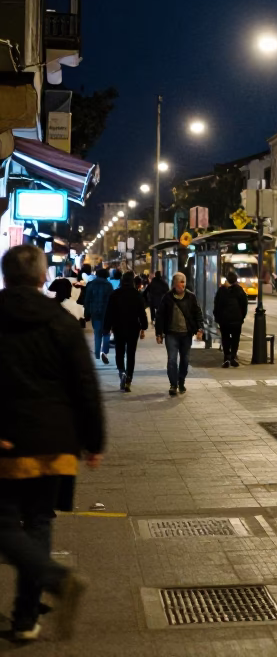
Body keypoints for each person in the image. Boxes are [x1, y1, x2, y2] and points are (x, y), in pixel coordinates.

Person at [0, 245, 101, 641]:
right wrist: (94, 441)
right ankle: (26, 618)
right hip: (58, 440)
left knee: (5, 522)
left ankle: (56, 579)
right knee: (39, 521)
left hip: (9, 440)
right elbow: (85, 383)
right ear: (43, 277)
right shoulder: (60, 320)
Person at [153, 273, 204, 396]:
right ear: (175, 284)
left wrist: (200, 329)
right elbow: (160, 316)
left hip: (186, 334)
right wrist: (158, 333)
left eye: (184, 281)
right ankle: (173, 385)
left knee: (185, 359)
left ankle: (181, 380)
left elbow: (197, 313)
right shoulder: (167, 297)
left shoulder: (190, 297)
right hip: (171, 334)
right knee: (172, 360)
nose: (183, 284)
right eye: (181, 282)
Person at [103, 272, 149, 392]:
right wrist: (144, 326)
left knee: (120, 351)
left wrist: (107, 328)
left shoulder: (115, 294)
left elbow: (109, 312)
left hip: (118, 327)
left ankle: (121, 371)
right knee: (131, 353)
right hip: (133, 327)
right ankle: (129, 377)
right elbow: (141, 312)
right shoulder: (136, 294)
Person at [78, 266, 114, 364]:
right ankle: (104, 352)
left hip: (95, 312)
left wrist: (86, 313)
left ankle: (97, 354)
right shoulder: (109, 285)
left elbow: (87, 300)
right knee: (106, 332)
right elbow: (112, 301)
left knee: (97, 333)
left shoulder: (91, 285)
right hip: (106, 312)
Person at [213, 272, 248, 368]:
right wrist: (241, 317)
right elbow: (244, 305)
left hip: (224, 320)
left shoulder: (221, 290)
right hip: (236, 320)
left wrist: (217, 317)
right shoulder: (239, 290)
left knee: (225, 338)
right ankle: (232, 357)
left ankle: (226, 357)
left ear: (227, 280)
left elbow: (217, 305)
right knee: (235, 339)